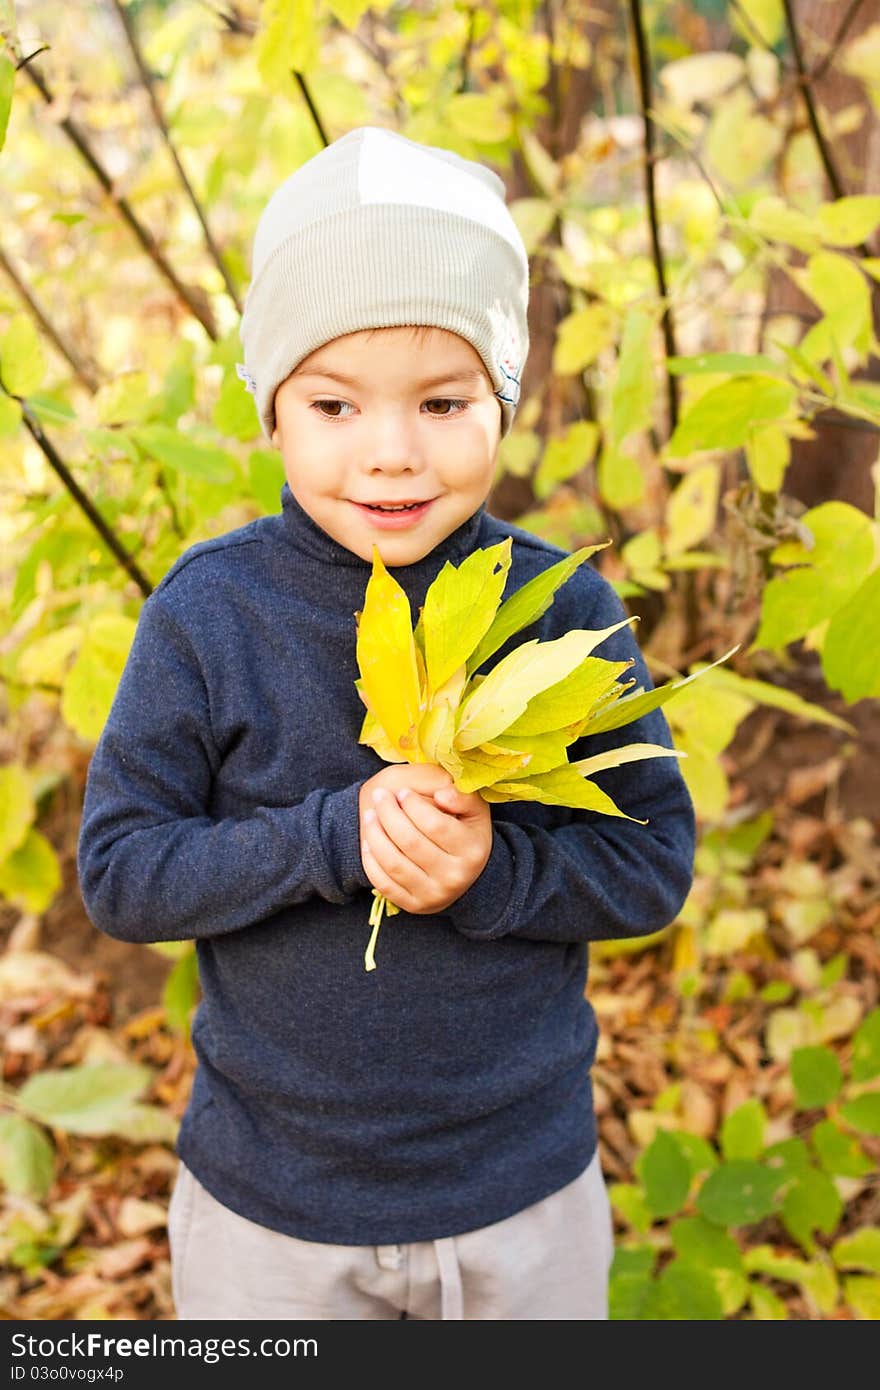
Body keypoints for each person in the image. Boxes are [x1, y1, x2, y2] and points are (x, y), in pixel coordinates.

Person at [77, 125, 696, 1321]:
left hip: (520, 1192)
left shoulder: (559, 608)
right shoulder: (212, 614)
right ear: (272, 408)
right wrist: (328, 841)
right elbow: (121, 872)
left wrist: (491, 868)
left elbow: (648, 861)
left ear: (503, 398)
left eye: (444, 398)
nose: (393, 450)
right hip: (274, 1206)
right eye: (335, 402)